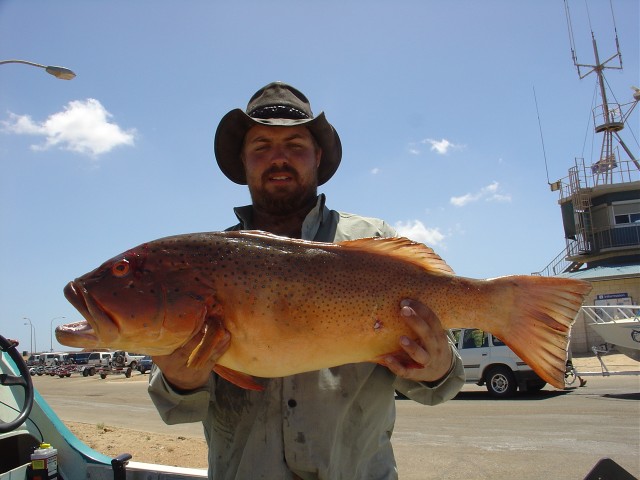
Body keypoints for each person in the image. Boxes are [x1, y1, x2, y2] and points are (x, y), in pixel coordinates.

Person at [148, 81, 465, 480]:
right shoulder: (206, 266)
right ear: (243, 161)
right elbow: (175, 410)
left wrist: (436, 366)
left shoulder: (374, 241)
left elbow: (440, 386)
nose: (278, 158)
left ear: (317, 156)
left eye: (294, 145)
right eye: (261, 146)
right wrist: (179, 380)